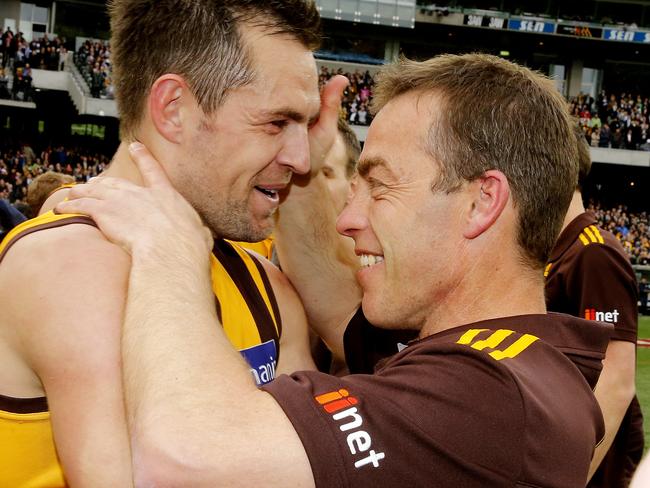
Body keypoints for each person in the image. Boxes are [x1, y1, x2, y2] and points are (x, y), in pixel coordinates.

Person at [59, 53, 612, 487]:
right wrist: (299, 172)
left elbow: (189, 457)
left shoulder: (487, 398)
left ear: (480, 202)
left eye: (381, 185)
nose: (349, 218)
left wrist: (171, 248)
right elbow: (332, 298)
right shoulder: (502, 359)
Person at [0, 1, 348, 486]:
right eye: (275, 123)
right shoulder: (69, 268)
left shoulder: (265, 285)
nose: (302, 159)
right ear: (173, 109)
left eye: (305, 126)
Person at [545, 128, 644, 487]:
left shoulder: (593, 253)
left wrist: (573, 474)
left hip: (598, 462)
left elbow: (617, 382)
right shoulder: (560, 253)